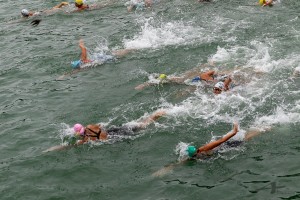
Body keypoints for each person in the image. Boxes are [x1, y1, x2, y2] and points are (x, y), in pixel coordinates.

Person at [152, 123, 270, 177]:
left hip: (224, 147)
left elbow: (221, 141)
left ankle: (263, 129)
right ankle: (260, 128)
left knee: (245, 138)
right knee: (245, 139)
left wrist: (234, 132)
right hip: (221, 150)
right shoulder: (195, 155)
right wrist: (164, 170)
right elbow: (178, 164)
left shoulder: (204, 149)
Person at [43, 109, 166, 152]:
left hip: (113, 138)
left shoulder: (86, 140)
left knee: (140, 130)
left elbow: (70, 146)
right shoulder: (91, 126)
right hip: (111, 130)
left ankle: (155, 117)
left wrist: (56, 147)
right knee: (139, 125)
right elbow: (100, 125)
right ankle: (156, 114)